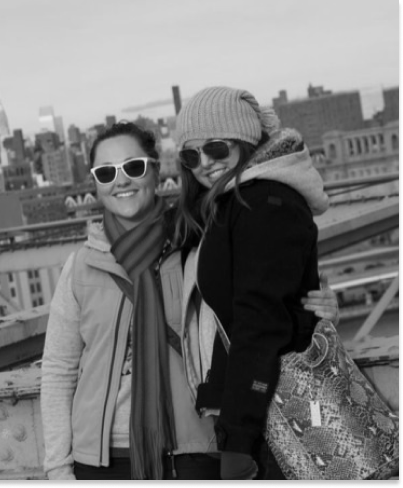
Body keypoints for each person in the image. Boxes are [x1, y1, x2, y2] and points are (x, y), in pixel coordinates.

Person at [41, 121, 338, 481]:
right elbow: (59, 370)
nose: (121, 181)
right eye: (106, 173)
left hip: (195, 453)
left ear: (156, 169)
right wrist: (58, 468)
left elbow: (259, 312)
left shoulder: (200, 248)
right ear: (96, 183)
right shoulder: (81, 266)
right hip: (101, 458)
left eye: (133, 167)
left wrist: (318, 312)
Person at [174, 86, 332, 480]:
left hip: (274, 419)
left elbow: (259, 325)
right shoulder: (230, 204)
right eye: (191, 155)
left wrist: (238, 440)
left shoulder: (263, 204)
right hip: (262, 411)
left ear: (246, 141)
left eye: (216, 148)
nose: (205, 164)